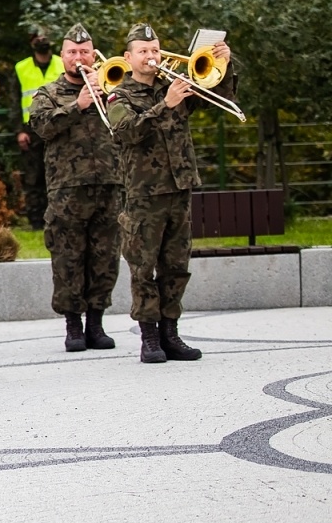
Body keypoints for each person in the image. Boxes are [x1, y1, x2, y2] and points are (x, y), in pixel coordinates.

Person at [106, 24, 237, 363]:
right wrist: (165, 104)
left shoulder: (174, 85)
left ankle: (171, 334)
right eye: (144, 51)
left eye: (155, 50)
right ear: (129, 57)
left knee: (176, 266)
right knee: (143, 267)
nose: (151, 57)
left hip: (179, 188)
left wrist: (225, 65)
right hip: (144, 194)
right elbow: (126, 132)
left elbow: (220, 101)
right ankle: (149, 338)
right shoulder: (119, 95)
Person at [29, 24, 122, 352]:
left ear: (93, 54)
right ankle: (73, 325)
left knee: (105, 256)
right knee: (68, 257)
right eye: (72, 52)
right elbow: (40, 127)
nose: (78, 58)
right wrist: (78, 105)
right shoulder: (48, 93)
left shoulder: (113, 86)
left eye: (84, 52)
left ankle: (96, 323)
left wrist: (108, 95)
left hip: (109, 185)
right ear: (63, 56)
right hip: (67, 189)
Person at [15, 30, 64, 230]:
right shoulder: (22, 67)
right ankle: (36, 222)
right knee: (33, 177)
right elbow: (14, 101)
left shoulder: (62, 63)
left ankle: (59, 216)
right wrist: (19, 130)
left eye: (45, 36)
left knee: (59, 174)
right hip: (31, 129)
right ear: (30, 41)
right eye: (37, 37)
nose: (42, 40)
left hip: (58, 124)